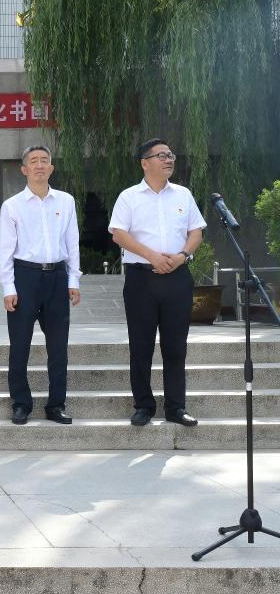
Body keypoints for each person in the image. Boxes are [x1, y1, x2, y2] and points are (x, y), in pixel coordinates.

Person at [109, 138, 206, 427]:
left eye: (170, 154)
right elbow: (118, 234)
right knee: (141, 346)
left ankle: (176, 407)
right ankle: (143, 406)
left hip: (177, 277)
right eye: (161, 155)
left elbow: (196, 232)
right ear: (145, 163)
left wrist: (182, 256)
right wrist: (152, 256)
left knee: (176, 346)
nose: (169, 159)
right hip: (141, 278)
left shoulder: (183, 195)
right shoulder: (129, 197)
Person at [0, 145, 81, 426]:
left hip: (57, 277)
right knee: (19, 345)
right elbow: (6, 250)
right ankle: (21, 403)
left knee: (58, 347)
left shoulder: (66, 201)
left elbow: (72, 242)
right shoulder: (12, 206)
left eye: (45, 160)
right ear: (24, 169)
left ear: (51, 168)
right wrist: (8, 287)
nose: (40, 165)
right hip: (25, 277)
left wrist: (73, 279)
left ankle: (56, 404)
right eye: (34, 161)